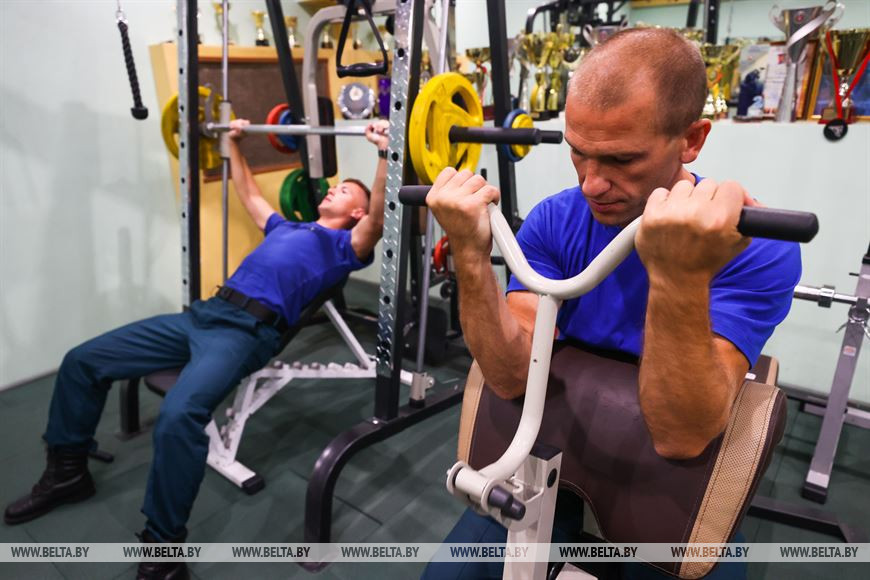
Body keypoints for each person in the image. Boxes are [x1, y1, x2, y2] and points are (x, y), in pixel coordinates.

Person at [422, 29, 800, 579]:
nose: (592, 183)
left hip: (669, 470)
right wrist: (471, 256)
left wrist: (677, 274)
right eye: (579, 152)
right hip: (555, 445)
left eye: (622, 159)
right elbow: (508, 378)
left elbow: (681, 435)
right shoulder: (556, 219)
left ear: (691, 140)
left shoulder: (757, 247)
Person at [3, 118, 390, 579]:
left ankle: (164, 550)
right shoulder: (286, 228)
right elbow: (248, 194)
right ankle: (68, 473)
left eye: (347, 191)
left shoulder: (345, 246)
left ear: (355, 214)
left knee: (179, 415)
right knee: (83, 360)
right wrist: (233, 143)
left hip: (243, 333)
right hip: (203, 315)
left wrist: (384, 154)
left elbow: (379, 219)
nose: (333, 190)